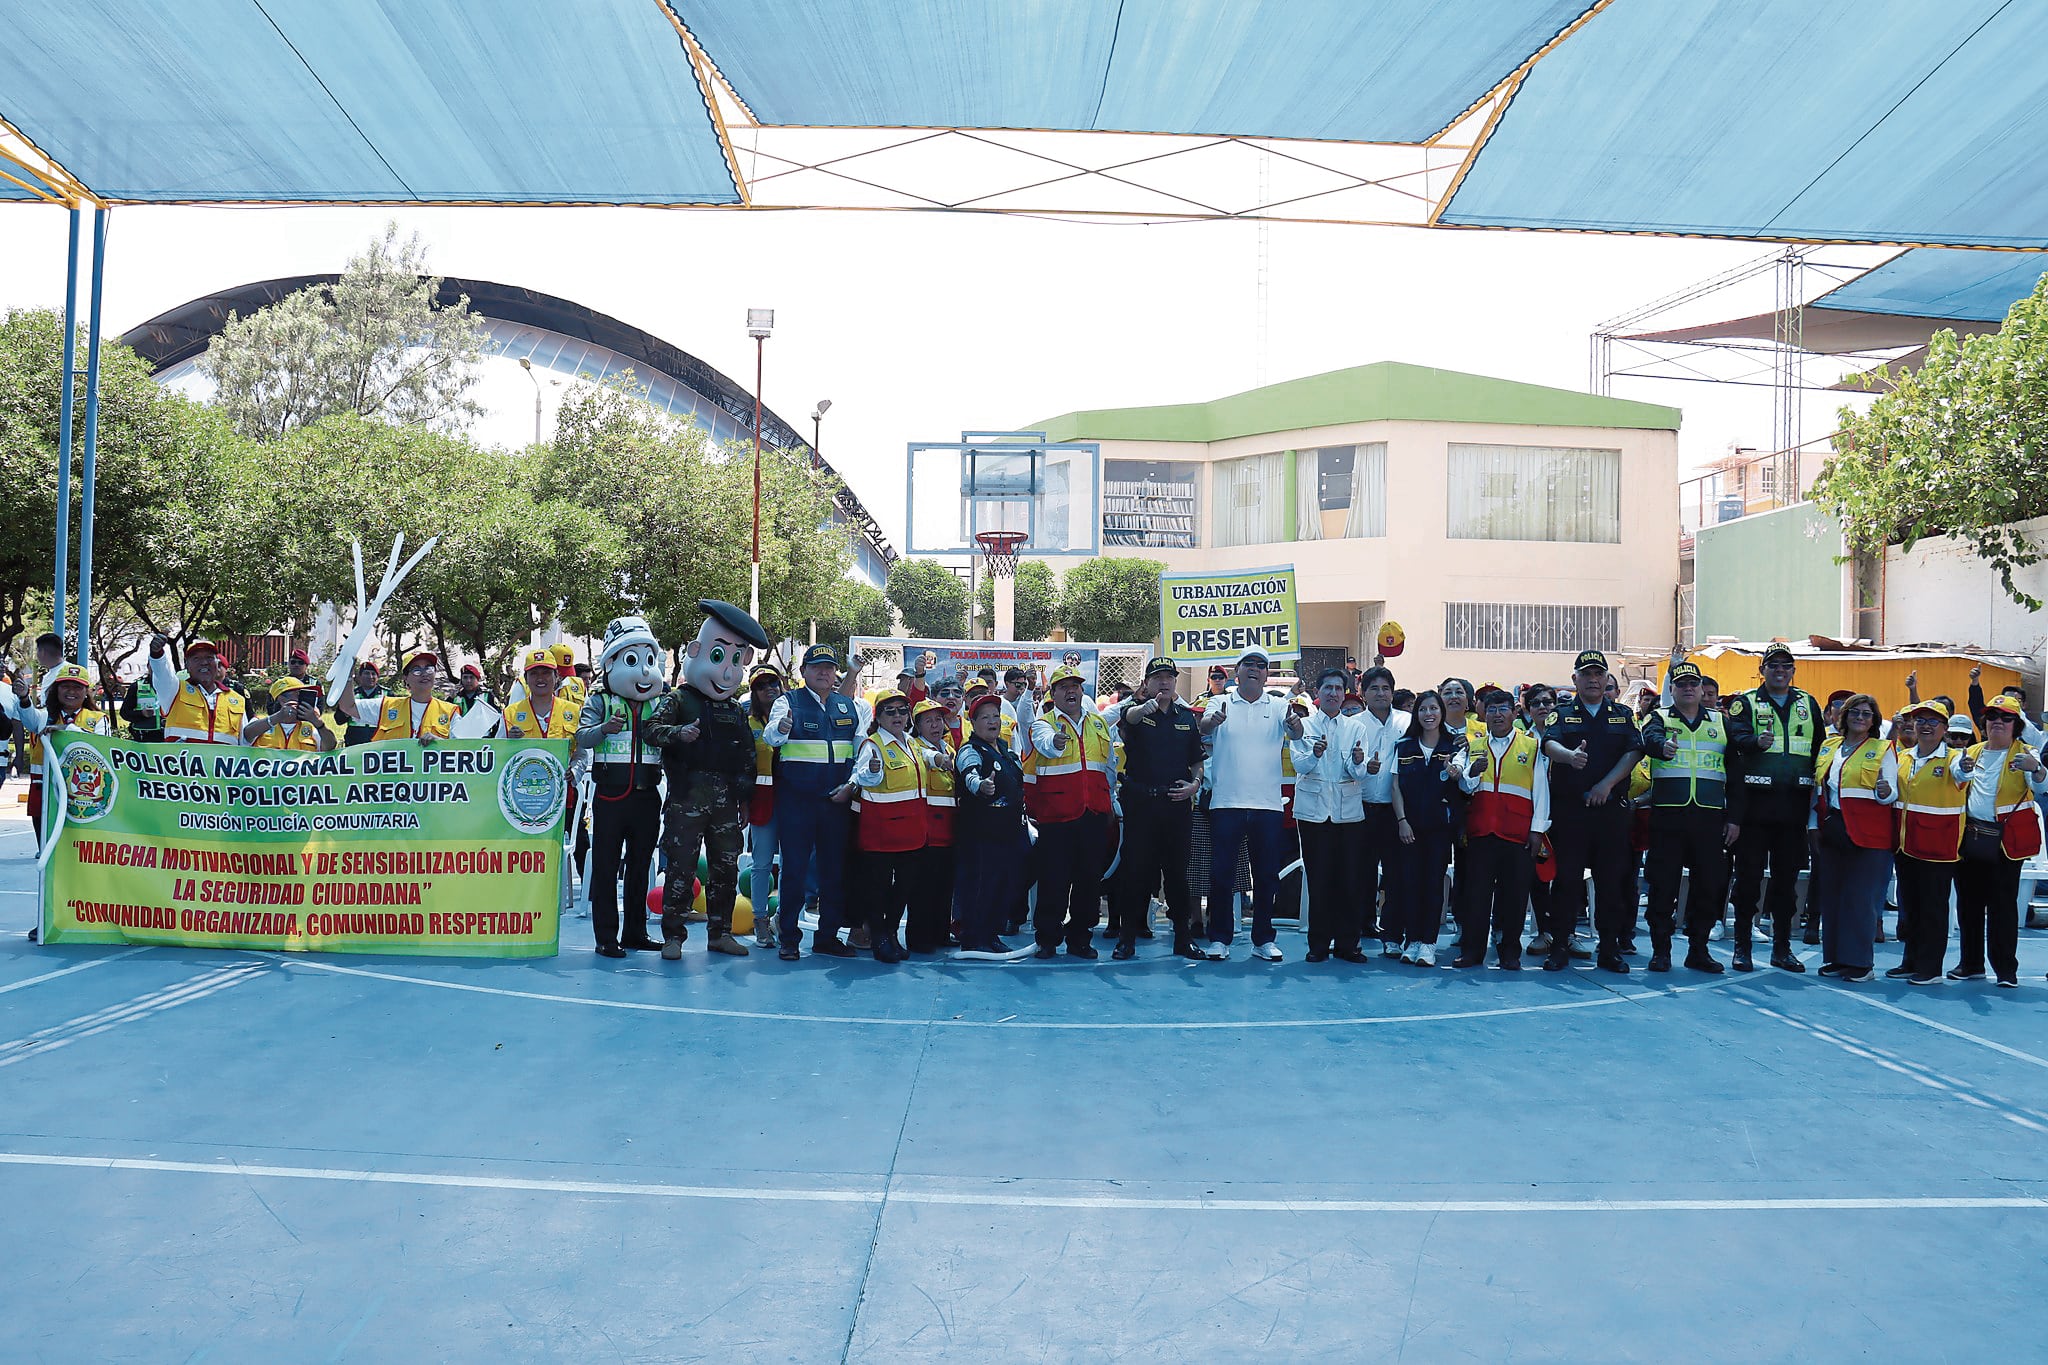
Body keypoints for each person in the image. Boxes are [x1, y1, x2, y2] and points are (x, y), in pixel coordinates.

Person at [647, 602, 771, 961]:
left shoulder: (734, 710)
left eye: (736, 660)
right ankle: (673, 936)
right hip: (687, 798)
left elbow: (747, 757)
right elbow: (651, 731)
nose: (727, 670)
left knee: (726, 869)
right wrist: (679, 733)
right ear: (697, 652)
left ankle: (721, 932)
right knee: (681, 868)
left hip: (726, 807)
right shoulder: (679, 700)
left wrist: (745, 799)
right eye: (719, 655)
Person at [1540, 650, 1643, 973]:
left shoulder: (1623, 714)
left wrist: (1607, 785)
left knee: (1611, 883)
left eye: (1599, 674)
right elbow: (1549, 744)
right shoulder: (1562, 714)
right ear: (1575, 680)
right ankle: (1559, 945)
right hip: (1571, 813)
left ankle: (1609, 949)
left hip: (1610, 812)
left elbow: (1634, 751)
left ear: (1607, 679)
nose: (1593, 679)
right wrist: (1569, 756)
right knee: (1567, 882)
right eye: (1586, 674)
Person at [1197, 649, 1304, 961]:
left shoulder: (1281, 705)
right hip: (1227, 803)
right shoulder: (1221, 701)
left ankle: (1263, 939)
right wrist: (1211, 721)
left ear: (1266, 674)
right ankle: (1219, 938)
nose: (1255, 670)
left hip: (1267, 805)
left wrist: (1296, 726)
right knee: (1222, 875)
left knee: (1267, 875)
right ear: (1237, 670)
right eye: (1249, 665)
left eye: (1261, 666)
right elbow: (1204, 727)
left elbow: (1296, 735)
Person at [765, 644, 870, 959]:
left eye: (829, 667)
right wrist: (782, 728)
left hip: (836, 802)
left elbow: (862, 751)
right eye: (817, 667)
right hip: (796, 803)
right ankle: (789, 939)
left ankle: (827, 937)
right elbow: (771, 736)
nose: (825, 672)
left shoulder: (850, 707)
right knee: (794, 872)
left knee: (833, 873)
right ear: (803, 672)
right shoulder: (788, 703)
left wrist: (852, 785)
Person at [576, 619, 669, 959]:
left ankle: (635, 932)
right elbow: (581, 737)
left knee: (640, 865)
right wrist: (604, 728)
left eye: (648, 661)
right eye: (633, 660)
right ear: (612, 662)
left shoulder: (659, 704)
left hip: (646, 795)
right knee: (605, 866)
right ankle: (606, 938)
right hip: (610, 796)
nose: (644, 672)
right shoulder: (600, 700)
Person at [1637, 662, 1737, 973]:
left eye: (1693, 683)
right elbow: (1648, 739)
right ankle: (1661, 951)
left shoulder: (1721, 723)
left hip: (1709, 819)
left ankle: (1699, 949)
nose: (1688, 688)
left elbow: (1736, 775)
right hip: (1669, 818)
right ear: (1672, 689)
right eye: (1682, 684)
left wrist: (1734, 818)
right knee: (1662, 887)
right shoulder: (1659, 718)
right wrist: (1661, 747)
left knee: (1708, 886)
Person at [1724, 644, 1817, 973]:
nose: (1780, 670)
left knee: (1787, 884)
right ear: (1762, 669)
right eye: (1773, 665)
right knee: (1748, 881)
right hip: (1754, 809)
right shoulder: (1745, 702)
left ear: (1793, 671)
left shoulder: (1808, 703)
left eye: (1786, 665)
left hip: (1792, 810)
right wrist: (1753, 743)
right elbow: (1735, 736)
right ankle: (1742, 947)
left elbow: (1820, 748)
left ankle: (1782, 948)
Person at [1109, 657, 1205, 960]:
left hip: (1176, 805)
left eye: (1169, 677)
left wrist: (1195, 784)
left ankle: (1183, 938)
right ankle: (1127, 938)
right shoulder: (1136, 712)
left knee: (1178, 874)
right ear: (1147, 683)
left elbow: (1197, 759)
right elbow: (1130, 719)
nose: (1164, 682)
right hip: (1141, 804)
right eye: (1158, 677)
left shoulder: (1186, 717)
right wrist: (1144, 706)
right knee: (1136, 872)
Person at [1951, 695, 2045, 987]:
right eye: (1993, 717)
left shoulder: (2026, 753)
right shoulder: (1973, 752)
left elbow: (2043, 785)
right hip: (1971, 838)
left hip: (2006, 842)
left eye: (2006, 718)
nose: (1998, 723)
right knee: (1968, 904)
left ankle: (2006, 970)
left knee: (2003, 906)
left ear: (2016, 724)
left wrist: (2036, 769)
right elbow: (1955, 780)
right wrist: (1959, 770)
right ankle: (1971, 964)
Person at [1452, 688, 1549, 969]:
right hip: (1481, 832)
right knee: (1476, 897)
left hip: (1518, 833)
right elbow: (1465, 786)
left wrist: (1537, 830)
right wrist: (1472, 772)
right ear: (1484, 714)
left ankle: (1510, 953)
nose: (1497, 715)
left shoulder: (1531, 746)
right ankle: (1472, 952)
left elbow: (1541, 791)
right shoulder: (1474, 745)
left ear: (1514, 713)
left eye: (1503, 709)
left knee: (1515, 898)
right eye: (1492, 710)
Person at [1026, 665, 1118, 959]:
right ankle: (1048, 938)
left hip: (1093, 814)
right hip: (1057, 816)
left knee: (1089, 880)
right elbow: (1045, 745)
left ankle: (1081, 937)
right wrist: (1056, 741)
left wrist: (1110, 801)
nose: (1071, 690)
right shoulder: (1044, 723)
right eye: (1063, 686)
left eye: (1075, 685)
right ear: (1053, 694)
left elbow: (1109, 766)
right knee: (1054, 880)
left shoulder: (1099, 724)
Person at [1811, 694, 1898, 982]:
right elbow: (1820, 790)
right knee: (1833, 896)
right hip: (1833, 829)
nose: (1860, 718)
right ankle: (1836, 958)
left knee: (1860, 899)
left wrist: (1886, 793)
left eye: (1867, 714)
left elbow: (1892, 791)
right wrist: (1814, 826)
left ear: (1874, 720)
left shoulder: (1883, 748)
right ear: (1844, 716)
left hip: (1870, 833)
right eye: (1855, 712)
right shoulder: (1829, 746)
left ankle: (1860, 964)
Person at [1291, 667, 1365, 963]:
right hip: (1313, 813)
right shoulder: (1303, 725)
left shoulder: (1356, 728)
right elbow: (1300, 765)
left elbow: (1359, 772)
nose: (1333, 693)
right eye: (1328, 688)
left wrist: (1360, 763)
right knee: (1319, 880)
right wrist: (1315, 754)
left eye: (1338, 688)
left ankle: (1348, 944)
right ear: (1318, 693)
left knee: (1349, 880)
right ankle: (1318, 945)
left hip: (1347, 813)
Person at [1889, 700, 1964, 984]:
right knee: (1910, 906)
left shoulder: (1954, 758)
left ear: (1945, 729)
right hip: (1905, 844)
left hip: (1938, 846)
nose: (1926, 725)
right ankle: (1910, 960)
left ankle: (1930, 967)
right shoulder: (1904, 757)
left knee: (1933, 908)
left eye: (1933, 721)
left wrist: (1966, 767)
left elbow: (1962, 774)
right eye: (1921, 720)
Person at [954, 690, 1031, 958]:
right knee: (980, 885)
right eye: (984, 717)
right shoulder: (970, 750)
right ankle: (974, 937)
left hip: (1010, 831)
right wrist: (981, 786)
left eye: (995, 716)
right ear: (973, 723)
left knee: (1004, 884)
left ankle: (992, 934)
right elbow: (969, 775)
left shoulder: (1008, 752)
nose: (992, 721)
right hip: (982, 833)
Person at [850, 689, 924, 962]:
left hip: (912, 832)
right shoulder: (872, 746)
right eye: (889, 711)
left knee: (904, 887)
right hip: (881, 831)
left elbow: (923, 762)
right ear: (878, 717)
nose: (897, 716)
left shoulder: (913, 743)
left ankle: (892, 932)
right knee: (878, 888)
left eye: (902, 710)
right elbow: (863, 776)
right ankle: (879, 936)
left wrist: (937, 758)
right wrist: (871, 771)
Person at [1390, 689, 1462, 965]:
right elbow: (1395, 786)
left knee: (1433, 885)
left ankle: (1429, 943)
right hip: (1409, 828)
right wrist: (1402, 821)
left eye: (1433, 709)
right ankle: (1413, 940)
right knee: (1410, 884)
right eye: (1422, 709)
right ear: (1416, 714)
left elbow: (1463, 778)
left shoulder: (1454, 744)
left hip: (1440, 828)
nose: (1428, 714)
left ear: (1441, 712)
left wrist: (1457, 772)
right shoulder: (1403, 746)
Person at [17, 661, 110, 847]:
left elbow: (102, 747)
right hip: (44, 789)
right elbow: (29, 720)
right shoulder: (44, 716)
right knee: (47, 847)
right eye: (65, 686)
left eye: (77, 687)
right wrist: (24, 698)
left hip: (83, 793)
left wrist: (67, 728)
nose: (71, 691)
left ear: (86, 692)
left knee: (78, 847)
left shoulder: (98, 719)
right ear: (56, 690)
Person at [1350, 665, 1409, 954]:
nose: (1380, 693)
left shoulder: (1408, 722)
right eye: (1374, 688)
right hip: (1361, 809)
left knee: (1396, 874)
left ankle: (1392, 931)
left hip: (1397, 812)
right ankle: (1361, 925)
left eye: (1386, 688)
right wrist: (1362, 767)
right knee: (1362, 872)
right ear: (1362, 693)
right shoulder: (1353, 723)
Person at [908, 698, 957, 953]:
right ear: (917, 725)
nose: (935, 725)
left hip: (948, 831)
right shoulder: (914, 747)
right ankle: (920, 938)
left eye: (938, 719)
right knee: (922, 888)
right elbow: (928, 757)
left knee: (944, 886)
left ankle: (941, 932)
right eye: (928, 720)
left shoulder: (950, 749)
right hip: (925, 831)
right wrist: (936, 758)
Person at [745, 664, 785, 950]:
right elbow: (741, 766)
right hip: (761, 798)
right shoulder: (746, 723)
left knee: (792, 863)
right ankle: (760, 919)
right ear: (754, 692)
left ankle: (783, 919)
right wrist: (743, 802)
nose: (770, 688)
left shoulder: (793, 717)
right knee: (761, 863)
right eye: (763, 685)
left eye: (774, 683)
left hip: (793, 798)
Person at [147, 636, 247, 746]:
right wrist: (157, 654)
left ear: (218, 665)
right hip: (182, 762)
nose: (204, 662)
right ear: (187, 666)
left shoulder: (237, 700)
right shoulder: (174, 690)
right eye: (196, 659)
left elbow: (245, 741)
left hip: (222, 762)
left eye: (209, 658)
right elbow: (162, 673)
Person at [351, 651, 456, 743]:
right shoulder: (387, 706)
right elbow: (348, 707)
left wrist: (441, 743)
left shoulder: (450, 712)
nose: (424, 674)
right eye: (416, 670)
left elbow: (464, 749)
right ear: (405, 678)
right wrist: (347, 673)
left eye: (429, 668)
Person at [241, 676, 335, 751]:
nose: (303, 698)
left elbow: (330, 747)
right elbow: (247, 735)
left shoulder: (311, 727)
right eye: (299, 694)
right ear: (282, 699)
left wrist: (318, 723)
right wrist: (278, 717)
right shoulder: (261, 724)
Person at [502, 647, 578, 739]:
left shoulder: (574, 711)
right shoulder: (509, 714)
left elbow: (584, 752)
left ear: (556, 676)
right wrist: (508, 742)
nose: (540, 678)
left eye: (546, 673)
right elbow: (497, 749)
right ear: (526, 678)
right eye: (534, 673)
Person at [342, 661, 386, 746]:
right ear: (359, 677)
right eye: (366, 673)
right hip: (354, 744)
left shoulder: (387, 694)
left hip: (379, 744)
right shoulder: (351, 694)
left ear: (378, 677)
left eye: (373, 674)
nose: (370, 677)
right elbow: (338, 720)